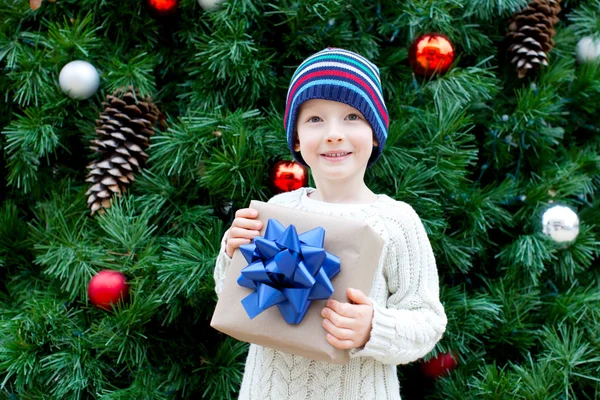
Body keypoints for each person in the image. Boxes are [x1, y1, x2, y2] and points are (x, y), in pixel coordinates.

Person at [213, 47, 447, 400]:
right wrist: (232, 255)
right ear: (296, 138)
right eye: (315, 120)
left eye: (352, 116)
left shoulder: (397, 222)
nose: (334, 133)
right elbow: (233, 299)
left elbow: (427, 321)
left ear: (374, 132)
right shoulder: (278, 209)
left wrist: (373, 328)